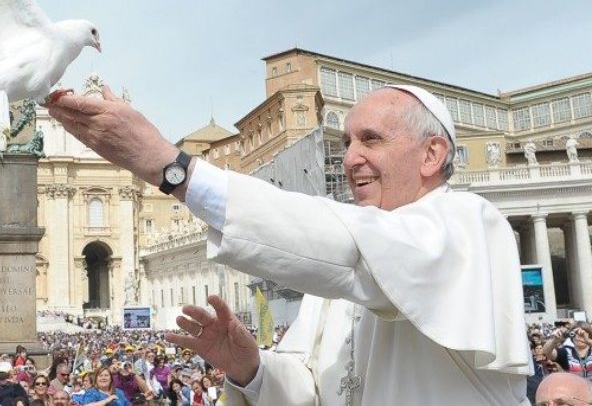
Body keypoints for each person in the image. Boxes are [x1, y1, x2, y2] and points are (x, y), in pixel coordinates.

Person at [48, 84, 531, 405]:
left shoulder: (470, 223)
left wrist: (173, 169)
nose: (352, 159)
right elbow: (309, 391)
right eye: (347, 144)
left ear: (432, 154)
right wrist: (252, 368)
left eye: (371, 140)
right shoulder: (340, 278)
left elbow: (353, 247)